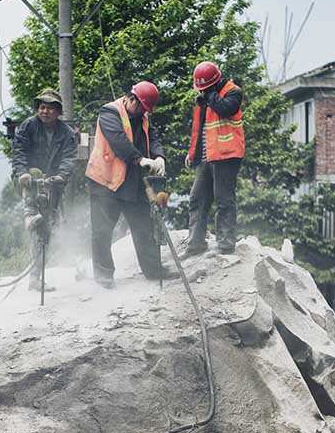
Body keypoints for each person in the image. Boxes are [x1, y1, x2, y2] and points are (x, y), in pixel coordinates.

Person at [86, 81, 177, 289]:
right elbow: (119, 142)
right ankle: (104, 275)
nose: (143, 113)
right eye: (142, 108)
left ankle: (153, 269)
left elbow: (153, 136)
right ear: (131, 99)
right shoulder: (109, 112)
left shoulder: (142, 115)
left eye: (146, 110)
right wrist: (141, 160)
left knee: (143, 226)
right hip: (105, 183)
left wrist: (159, 156)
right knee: (102, 230)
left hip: (132, 183)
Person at [11, 88, 77, 291]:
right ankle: (29, 213)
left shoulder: (66, 132)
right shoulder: (28, 126)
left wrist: (62, 176)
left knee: (46, 229)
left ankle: (35, 277)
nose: (45, 111)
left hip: (53, 183)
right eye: (42, 107)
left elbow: (69, 157)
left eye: (49, 108)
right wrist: (22, 172)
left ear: (58, 112)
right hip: (29, 180)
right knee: (34, 178)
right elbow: (18, 150)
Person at [183, 61, 245, 257]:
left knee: (224, 200)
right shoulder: (206, 99)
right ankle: (195, 244)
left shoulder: (232, 92)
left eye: (205, 88)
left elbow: (226, 109)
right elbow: (200, 128)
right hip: (206, 157)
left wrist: (209, 94)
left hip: (227, 156)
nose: (202, 92)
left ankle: (225, 245)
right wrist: (193, 152)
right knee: (197, 198)